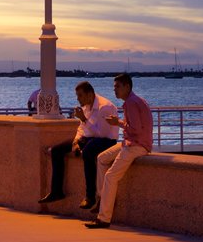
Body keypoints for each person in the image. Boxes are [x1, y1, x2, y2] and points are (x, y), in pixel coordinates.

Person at [86, 73, 152, 229]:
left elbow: (135, 130)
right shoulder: (135, 100)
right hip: (131, 142)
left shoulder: (131, 103)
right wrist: (119, 123)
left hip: (137, 145)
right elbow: (136, 127)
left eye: (117, 87)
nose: (114, 90)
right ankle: (104, 199)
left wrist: (118, 123)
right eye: (114, 87)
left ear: (127, 87)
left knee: (110, 176)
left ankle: (104, 218)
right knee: (101, 158)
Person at [39, 81, 119, 207]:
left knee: (88, 152)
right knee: (56, 150)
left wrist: (83, 119)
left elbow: (101, 133)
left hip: (106, 140)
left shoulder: (105, 107)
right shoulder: (86, 106)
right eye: (77, 95)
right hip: (89, 138)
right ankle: (56, 191)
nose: (77, 98)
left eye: (80, 95)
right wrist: (76, 141)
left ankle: (90, 196)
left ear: (90, 94)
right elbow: (82, 128)